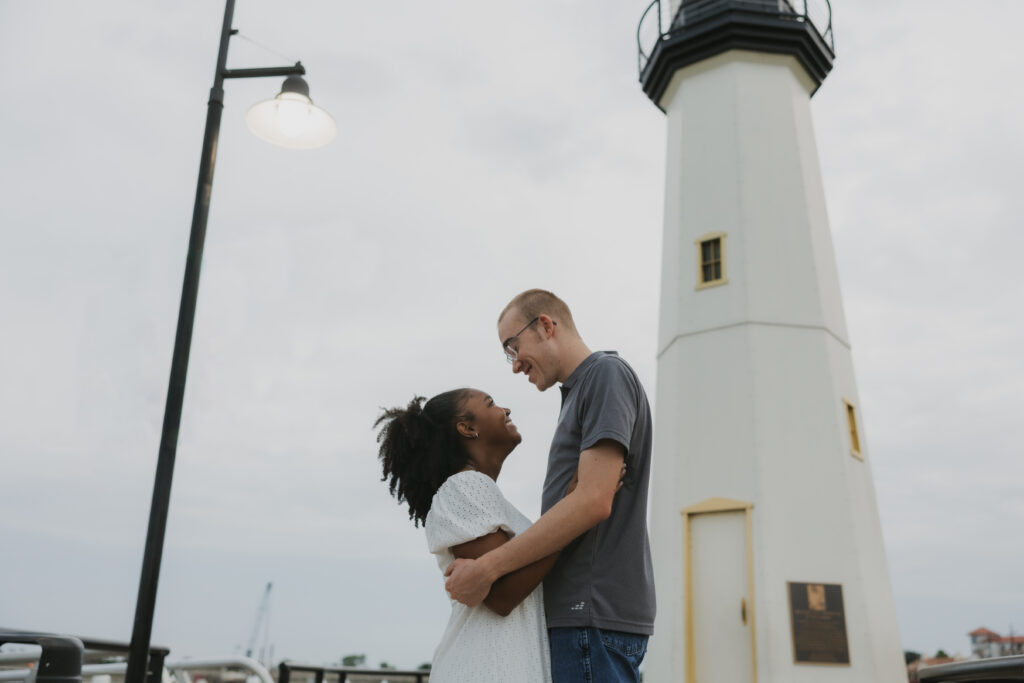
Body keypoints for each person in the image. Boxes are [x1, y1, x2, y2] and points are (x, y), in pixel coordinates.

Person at [444, 289, 656, 683]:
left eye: (513, 346)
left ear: (545, 325)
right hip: (587, 620)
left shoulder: (604, 376)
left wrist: (486, 569)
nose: (513, 364)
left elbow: (593, 500)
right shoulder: (581, 392)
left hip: (589, 617)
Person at [376, 388, 568, 682]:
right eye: (491, 403)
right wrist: (574, 511)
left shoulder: (478, 491)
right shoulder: (463, 486)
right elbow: (503, 595)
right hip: (484, 668)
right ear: (467, 428)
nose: (506, 410)